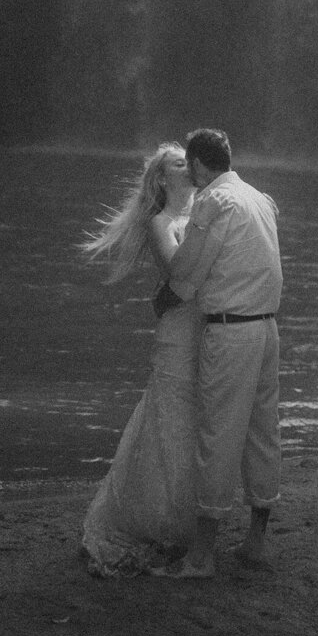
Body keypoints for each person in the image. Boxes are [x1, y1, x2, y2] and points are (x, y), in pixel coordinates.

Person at [151, 127, 282, 578]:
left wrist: (166, 297)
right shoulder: (259, 198)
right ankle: (257, 541)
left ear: (199, 165)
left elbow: (188, 269)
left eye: (191, 167)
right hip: (267, 328)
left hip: (231, 332)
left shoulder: (213, 201)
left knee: (218, 436)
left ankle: (202, 555)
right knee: (263, 433)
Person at [78, 143, 199, 574]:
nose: (190, 166)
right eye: (179, 163)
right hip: (180, 331)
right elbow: (176, 271)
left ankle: (184, 518)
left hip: (206, 328)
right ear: (162, 178)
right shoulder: (159, 221)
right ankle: (150, 517)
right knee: (166, 419)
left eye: (190, 160)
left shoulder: (208, 211)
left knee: (194, 423)